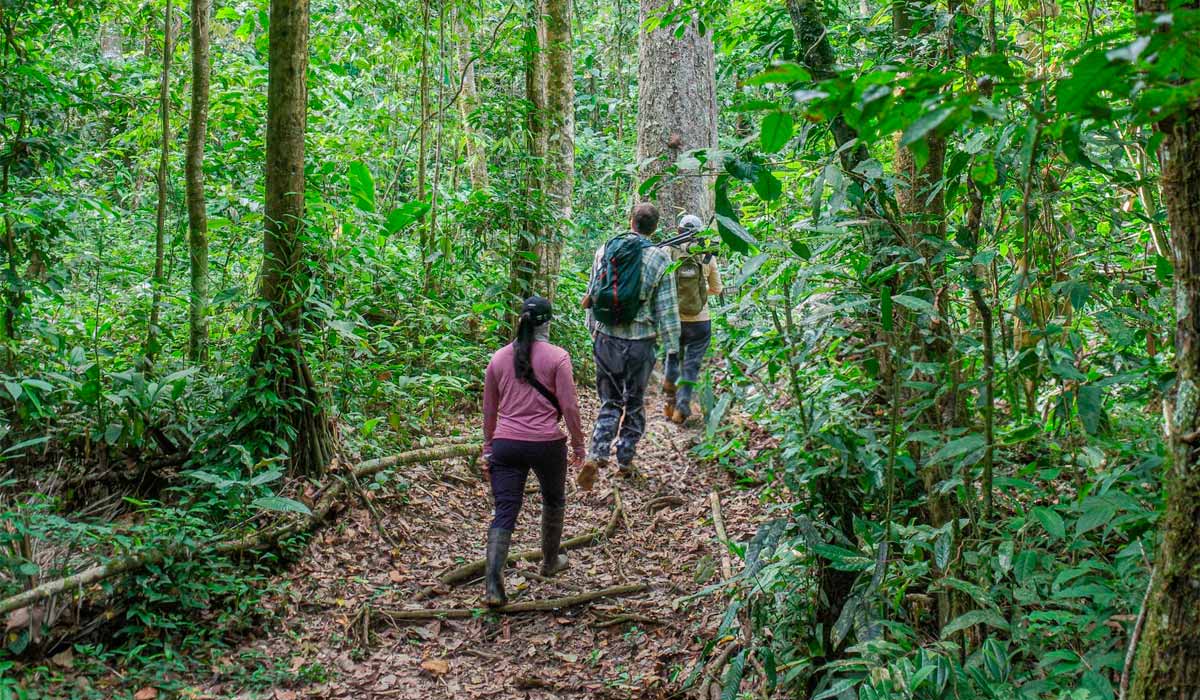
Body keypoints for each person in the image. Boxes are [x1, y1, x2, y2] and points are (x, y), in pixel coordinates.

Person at [481, 296, 585, 608]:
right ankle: (550, 561)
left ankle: (492, 586)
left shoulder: (498, 358)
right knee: (553, 500)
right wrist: (579, 447)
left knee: (505, 510)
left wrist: (489, 449)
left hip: (506, 445)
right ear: (548, 322)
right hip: (547, 445)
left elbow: (489, 410)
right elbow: (569, 406)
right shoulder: (558, 357)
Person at [577, 203, 680, 489]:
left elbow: (593, 293)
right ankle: (624, 461)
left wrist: (594, 331)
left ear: (630, 221)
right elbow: (667, 308)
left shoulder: (606, 249)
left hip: (607, 338)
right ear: (655, 228)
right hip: (641, 344)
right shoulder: (660, 258)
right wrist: (672, 350)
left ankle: (597, 453)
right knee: (634, 402)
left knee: (610, 401)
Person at [663, 214, 723, 424]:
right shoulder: (707, 257)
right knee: (691, 363)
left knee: (672, 355)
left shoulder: (668, 251)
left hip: (673, 319)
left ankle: (670, 398)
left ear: (679, 231)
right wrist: (700, 293)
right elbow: (717, 288)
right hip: (700, 320)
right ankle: (682, 406)